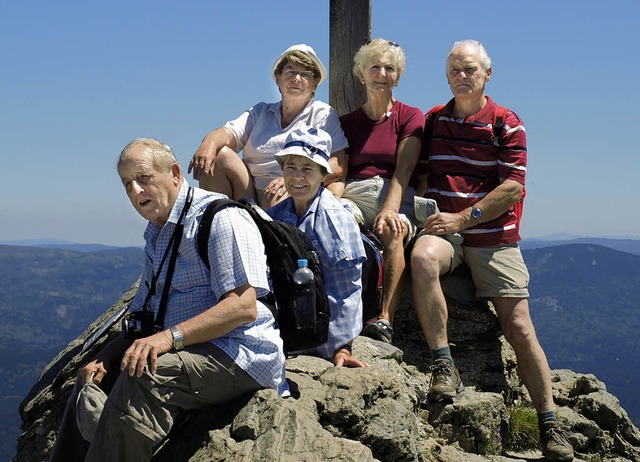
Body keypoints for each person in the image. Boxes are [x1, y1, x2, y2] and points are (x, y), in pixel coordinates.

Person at [49, 138, 288, 462]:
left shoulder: (220, 218)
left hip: (239, 353)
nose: (135, 191)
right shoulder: (157, 233)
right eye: (127, 184)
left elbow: (243, 306)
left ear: (175, 173)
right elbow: (145, 311)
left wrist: (168, 338)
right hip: (192, 349)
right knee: (91, 380)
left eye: (143, 178)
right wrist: (106, 356)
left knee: (145, 376)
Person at [411, 40, 574, 461]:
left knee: (519, 325)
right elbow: (418, 170)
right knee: (423, 257)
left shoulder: (506, 122)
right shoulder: (433, 120)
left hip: (493, 235)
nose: (461, 76)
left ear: (487, 74)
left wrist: (462, 218)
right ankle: (444, 365)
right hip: (443, 230)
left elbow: (513, 186)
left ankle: (549, 424)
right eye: (453, 70)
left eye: (469, 69)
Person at [332, 38, 424, 344]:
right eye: (375, 67)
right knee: (337, 226)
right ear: (362, 73)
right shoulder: (346, 123)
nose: (381, 73)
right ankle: (342, 315)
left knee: (394, 231)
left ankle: (385, 319)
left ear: (398, 76)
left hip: (396, 192)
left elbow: (405, 168)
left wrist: (390, 209)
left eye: (389, 68)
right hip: (356, 194)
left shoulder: (410, 117)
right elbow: (339, 171)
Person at [189, 44, 348, 210]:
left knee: (279, 197)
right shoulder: (261, 112)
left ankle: (264, 229)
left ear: (315, 84)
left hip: (288, 191)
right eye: (290, 72)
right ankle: (216, 222)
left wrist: (294, 178)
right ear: (278, 78)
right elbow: (227, 133)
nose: (297, 78)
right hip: (247, 189)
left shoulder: (322, 115)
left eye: (305, 74)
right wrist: (208, 144)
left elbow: (337, 166)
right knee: (218, 156)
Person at [268, 127, 368, 368]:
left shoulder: (334, 220)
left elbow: (344, 291)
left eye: (307, 169)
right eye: (290, 168)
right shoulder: (277, 214)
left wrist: (340, 346)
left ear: (323, 174)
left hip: (319, 338)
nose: (297, 177)